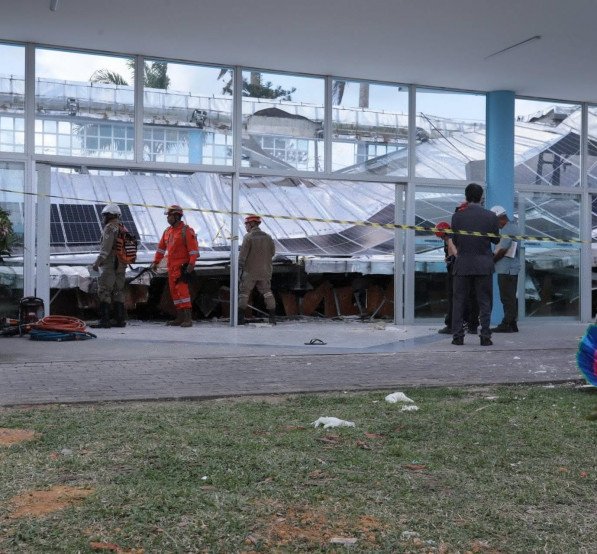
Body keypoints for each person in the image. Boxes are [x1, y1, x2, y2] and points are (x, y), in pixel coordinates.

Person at [450, 183, 500, 346]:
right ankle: (485, 336)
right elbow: (496, 239)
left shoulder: (457, 216)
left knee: (459, 301)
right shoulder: (491, 216)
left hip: (463, 264)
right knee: (484, 301)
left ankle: (458, 337)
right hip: (484, 264)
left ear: (466, 197)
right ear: (481, 197)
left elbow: (456, 240)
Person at [150, 205, 199, 327]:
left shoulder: (186, 231)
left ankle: (188, 318)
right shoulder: (167, 232)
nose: (168, 219)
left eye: (170, 216)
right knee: (174, 293)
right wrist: (156, 262)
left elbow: (193, 251)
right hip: (171, 268)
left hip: (182, 268)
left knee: (183, 293)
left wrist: (191, 265)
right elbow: (161, 249)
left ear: (177, 216)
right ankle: (179, 317)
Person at [91, 204, 127, 328]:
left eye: (105, 215)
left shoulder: (109, 228)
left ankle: (104, 320)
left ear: (111, 215)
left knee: (104, 290)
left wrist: (96, 263)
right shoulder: (123, 228)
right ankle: (119, 319)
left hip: (110, 265)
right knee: (118, 291)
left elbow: (105, 250)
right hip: (122, 264)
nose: (103, 218)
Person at [238, 214, 276, 325]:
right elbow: (272, 253)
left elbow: (242, 256)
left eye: (246, 224)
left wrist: (239, 269)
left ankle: (240, 319)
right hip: (265, 271)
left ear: (251, 224)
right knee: (268, 293)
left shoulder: (248, 237)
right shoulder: (268, 237)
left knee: (244, 293)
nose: (245, 227)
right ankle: (272, 318)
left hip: (250, 272)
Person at [490, 205, 521, 333]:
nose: (495, 225)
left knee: (507, 297)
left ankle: (506, 324)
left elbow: (503, 250)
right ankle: (512, 323)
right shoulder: (512, 227)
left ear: (500, 218)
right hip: (510, 268)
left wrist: (491, 262)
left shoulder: (508, 229)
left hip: (506, 268)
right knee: (510, 296)